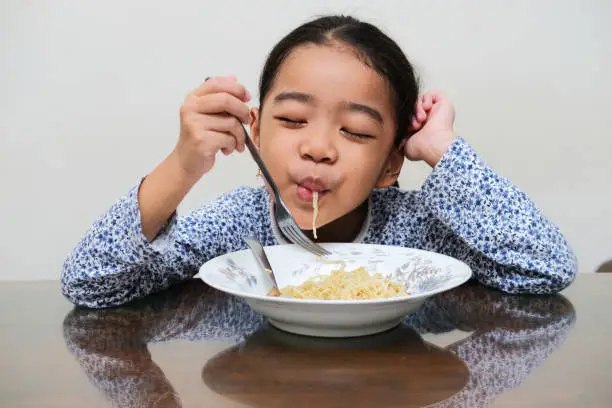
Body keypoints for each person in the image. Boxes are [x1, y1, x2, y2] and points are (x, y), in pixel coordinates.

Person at [61, 15, 577, 308]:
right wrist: (182, 164)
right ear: (256, 132)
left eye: (355, 131)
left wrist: (443, 153)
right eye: (291, 121)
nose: (318, 148)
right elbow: (90, 282)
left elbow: (545, 268)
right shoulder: (238, 225)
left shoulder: (419, 230)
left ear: (390, 164)